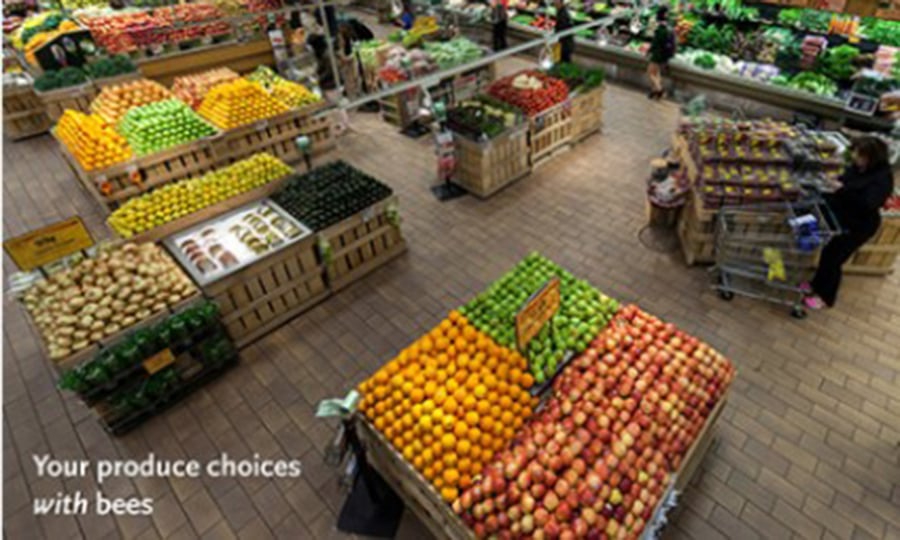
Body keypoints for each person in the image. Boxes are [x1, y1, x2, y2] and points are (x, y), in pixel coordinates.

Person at [803, 137, 894, 309]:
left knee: (835, 259)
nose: (854, 157)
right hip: (842, 217)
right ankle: (815, 285)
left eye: (858, 155)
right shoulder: (860, 167)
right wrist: (833, 182)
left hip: (859, 226)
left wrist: (841, 189)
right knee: (828, 252)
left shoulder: (882, 179)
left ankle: (825, 297)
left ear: (871, 157)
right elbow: (845, 179)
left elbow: (867, 204)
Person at [646, 6, 675, 100]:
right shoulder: (669, 28)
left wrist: (649, 51)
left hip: (657, 54)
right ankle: (654, 91)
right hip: (664, 55)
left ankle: (660, 89)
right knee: (657, 72)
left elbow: (655, 43)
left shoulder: (660, 30)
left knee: (650, 72)